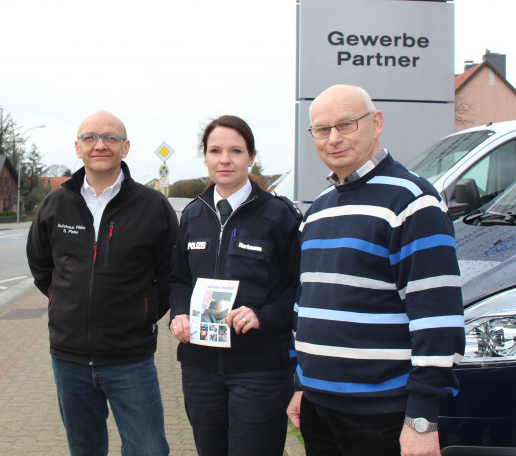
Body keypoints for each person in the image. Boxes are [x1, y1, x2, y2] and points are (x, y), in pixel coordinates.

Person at [286, 85, 465, 456]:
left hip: (381, 415)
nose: (333, 139)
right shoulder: (317, 210)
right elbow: (306, 304)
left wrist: (421, 420)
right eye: (321, 129)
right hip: (318, 409)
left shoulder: (413, 203)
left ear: (376, 123)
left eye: (346, 124)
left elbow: (438, 320)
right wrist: (301, 383)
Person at [26, 110, 179, 456]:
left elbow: (171, 273)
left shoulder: (152, 206)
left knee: (149, 450)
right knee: (85, 449)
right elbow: (41, 266)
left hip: (131, 358)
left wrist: (143, 312)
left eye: (111, 138)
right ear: (77, 147)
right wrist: (65, 302)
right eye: (90, 137)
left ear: (125, 148)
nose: (100, 145)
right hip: (69, 359)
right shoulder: (56, 204)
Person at [168, 115, 302, 456]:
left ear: (251, 156)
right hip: (200, 368)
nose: (224, 159)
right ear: (206, 156)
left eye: (236, 151)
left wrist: (263, 316)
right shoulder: (193, 215)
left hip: (260, 370)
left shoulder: (280, 216)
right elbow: (180, 279)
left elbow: (298, 290)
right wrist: (180, 314)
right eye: (215, 150)